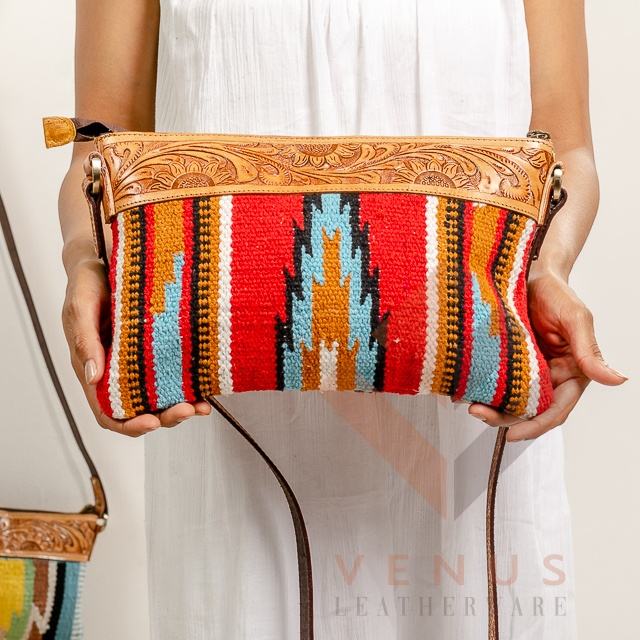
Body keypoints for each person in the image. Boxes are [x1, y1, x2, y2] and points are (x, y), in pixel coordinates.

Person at [58, 0, 626, 637]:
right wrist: (86, 259)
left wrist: (549, 271)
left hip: (467, 449)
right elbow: (98, 147)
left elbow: (566, 148)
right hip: (226, 442)